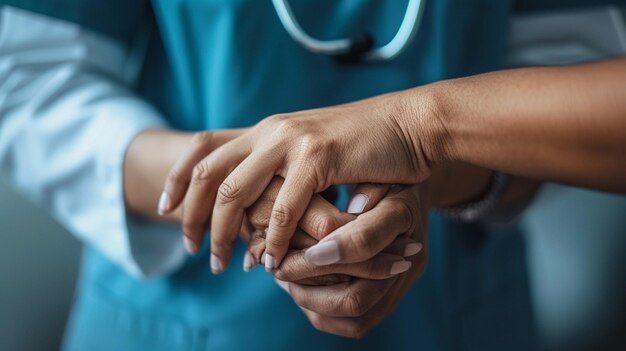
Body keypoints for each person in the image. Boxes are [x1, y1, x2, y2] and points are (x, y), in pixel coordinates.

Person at [0, 1, 621, 350]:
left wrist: (428, 172)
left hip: (459, 318)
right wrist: (247, 188)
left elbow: (573, 101)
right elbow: (29, 80)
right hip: (180, 323)